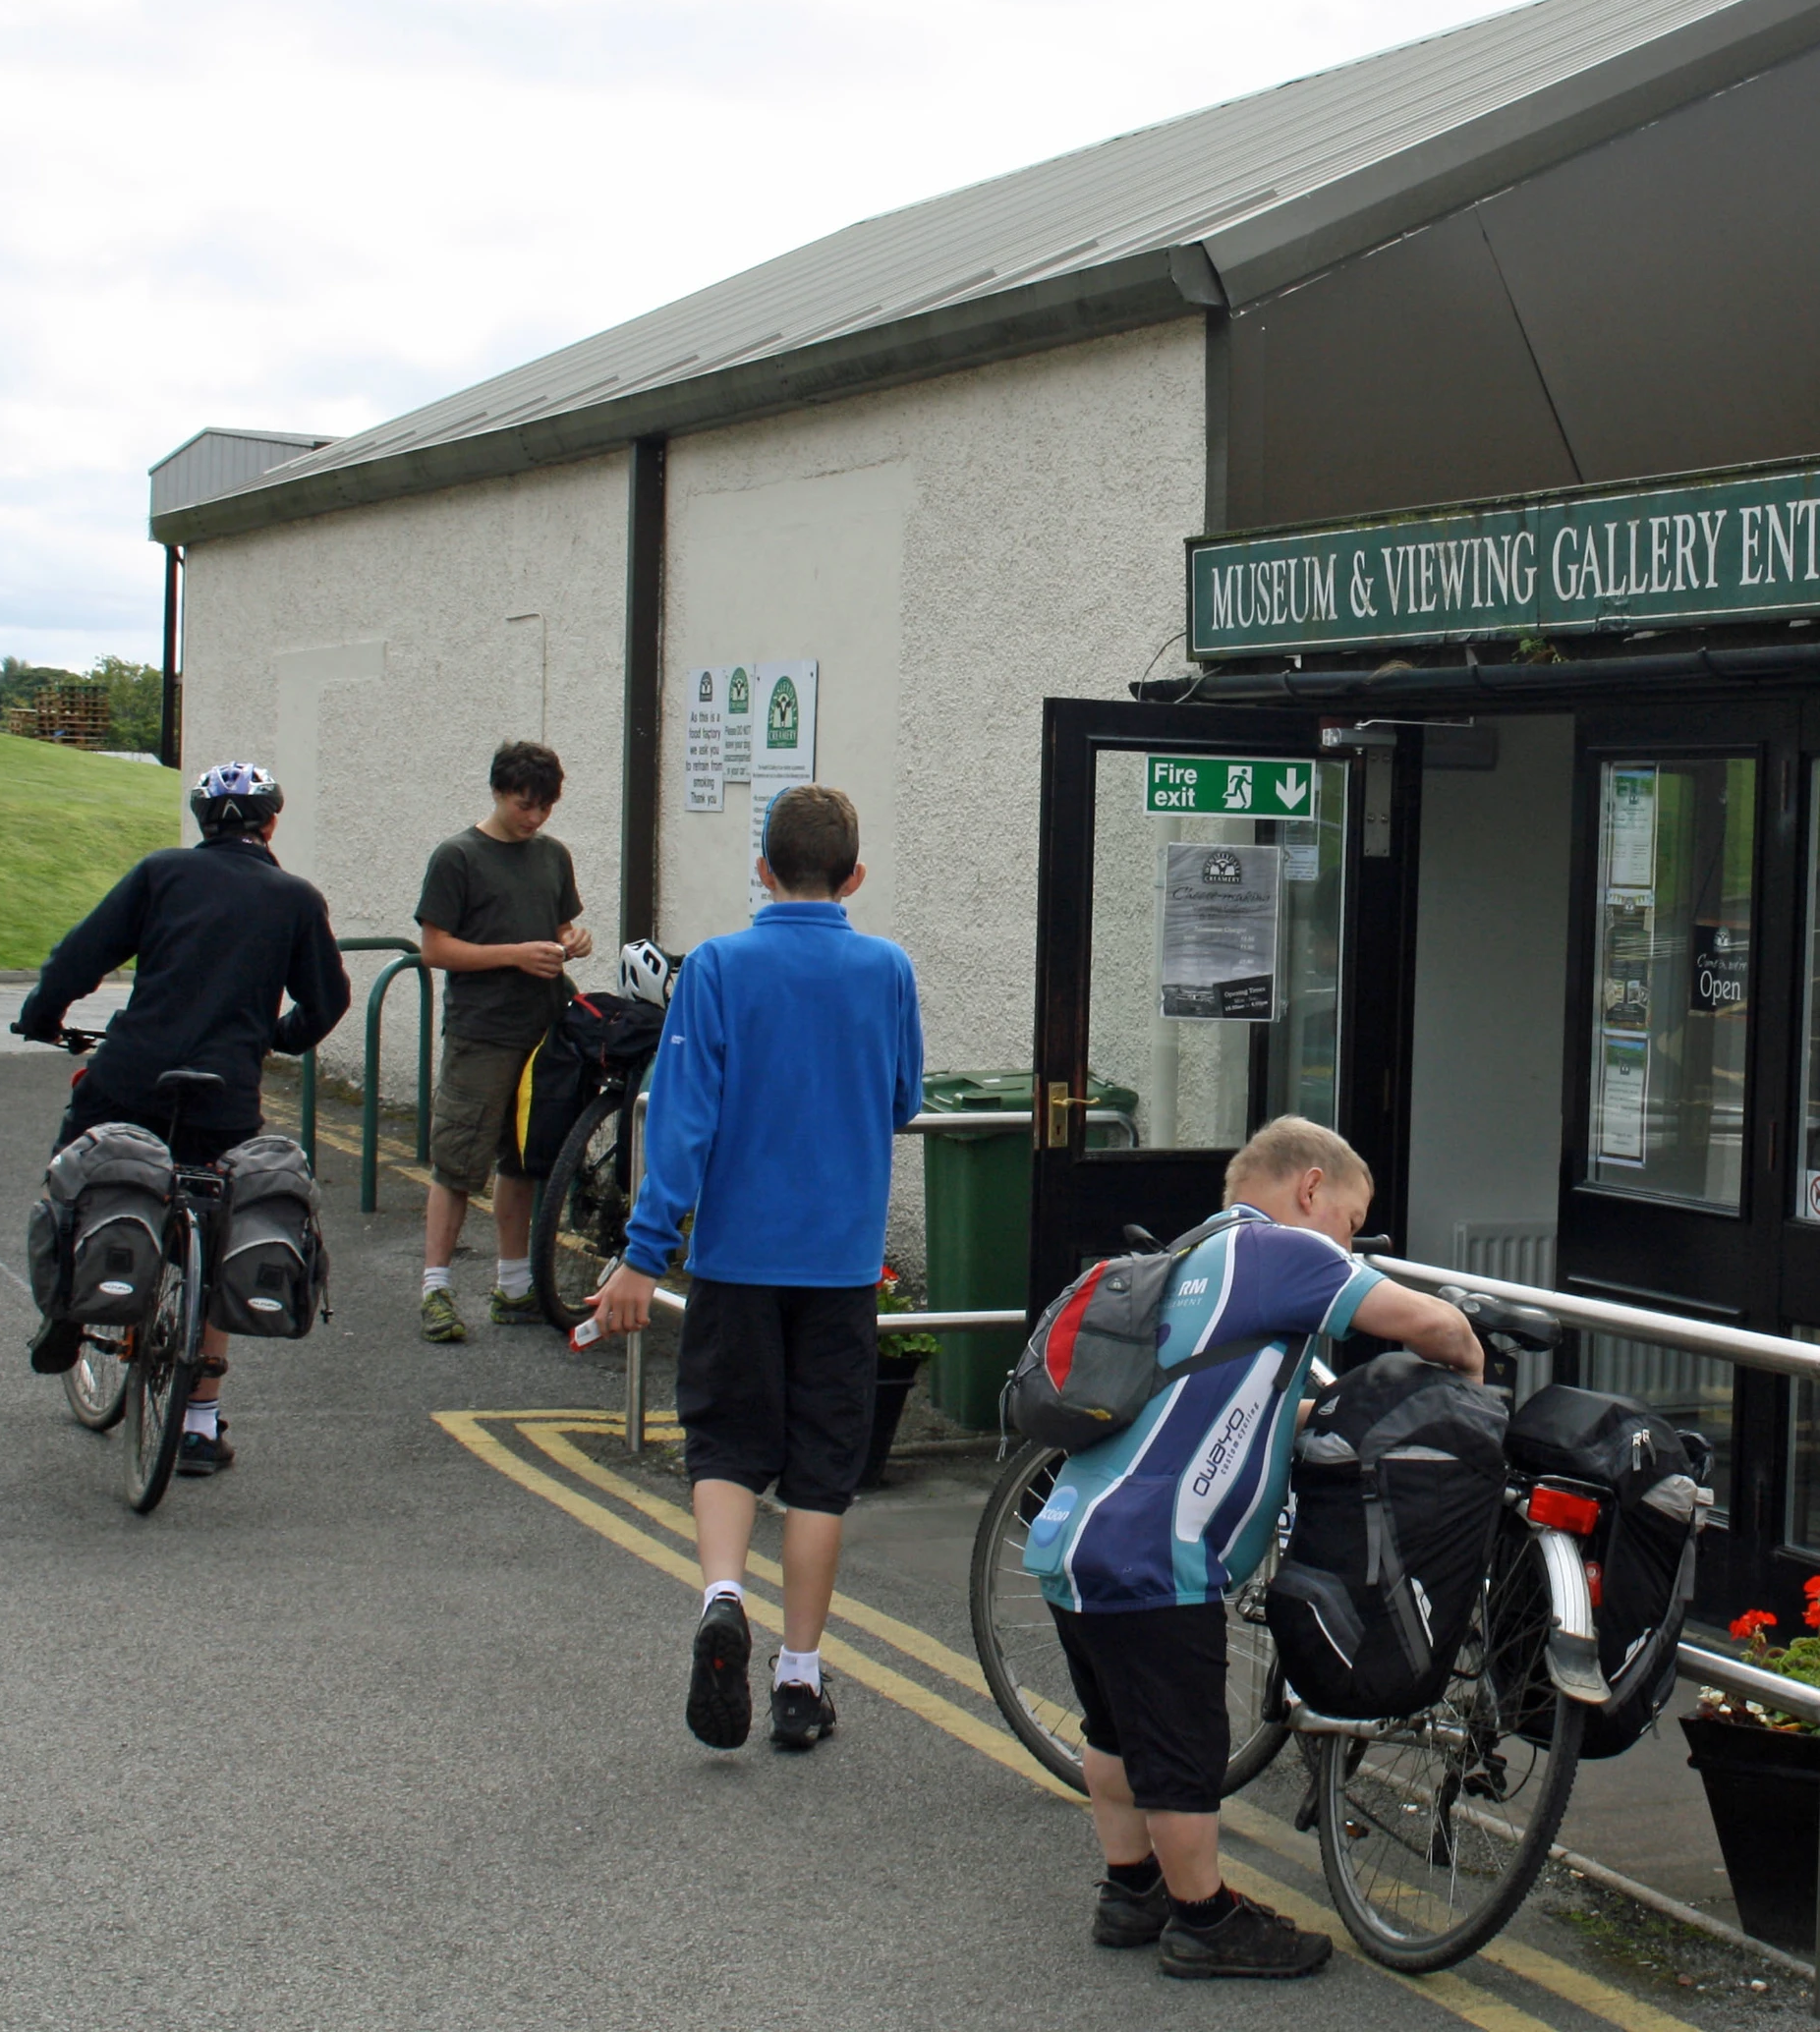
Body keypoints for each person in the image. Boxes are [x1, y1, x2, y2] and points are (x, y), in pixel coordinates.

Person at [1018, 1116, 1482, 1980]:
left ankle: (1132, 1892)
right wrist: (1473, 1379)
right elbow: (1433, 1327)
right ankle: (1204, 1919)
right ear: (1311, 1188)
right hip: (1157, 1555)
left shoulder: (1191, 1258)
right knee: (1185, 1745)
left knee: (1116, 1727)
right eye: (1352, 1220)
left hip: (1076, 1537)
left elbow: (1217, 1408)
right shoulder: (1284, 1255)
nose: (1352, 1241)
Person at [586, 784, 923, 1757]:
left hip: (736, 1258)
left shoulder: (721, 969)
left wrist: (642, 1257)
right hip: (843, 1261)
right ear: (854, 876)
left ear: (762, 871)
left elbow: (683, 1122)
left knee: (727, 1442)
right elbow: (902, 1098)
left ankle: (724, 1597)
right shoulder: (887, 970)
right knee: (823, 1471)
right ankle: (799, 1678)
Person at [17, 760, 350, 1477]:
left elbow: (81, 956)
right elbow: (326, 1004)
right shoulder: (295, 898)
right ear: (271, 823)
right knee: (221, 1224)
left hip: (132, 1076)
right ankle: (198, 1424)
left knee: (74, 1173)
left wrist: (43, 1017)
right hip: (223, 1095)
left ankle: (69, 1313)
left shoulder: (161, 873)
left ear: (202, 822)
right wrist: (272, 1038)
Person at [413, 740, 593, 1341]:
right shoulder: (457, 857)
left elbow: (561, 923)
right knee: (457, 1163)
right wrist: (514, 956)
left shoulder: (552, 856)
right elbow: (434, 949)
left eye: (545, 807)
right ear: (498, 791)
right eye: (525, 804)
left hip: (543, 1031)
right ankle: (435, 1289)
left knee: (523, 1160)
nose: (535, 817)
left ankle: (514, 1287)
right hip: (482, 1031)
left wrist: (574, 939)